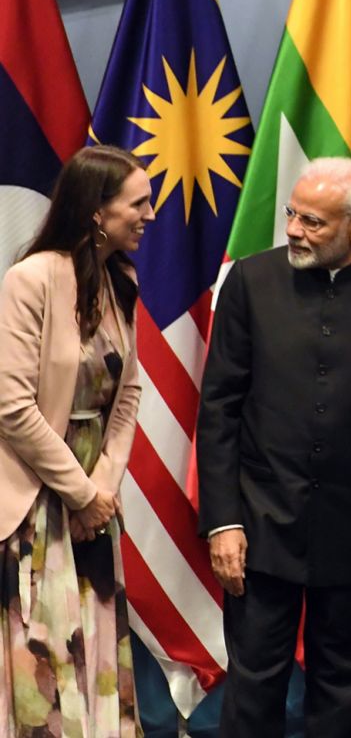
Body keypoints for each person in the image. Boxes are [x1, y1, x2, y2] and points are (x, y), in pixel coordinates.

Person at [196, 158, 351, 738]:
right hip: (259, 526)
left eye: (313, 222)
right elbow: (219, 412)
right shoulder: (250, 282)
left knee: (348, 698)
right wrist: (222, 522)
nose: (293, 230)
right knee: (253, 689)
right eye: (293, 214)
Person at [0, 145, 152, 736]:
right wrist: (79, 492)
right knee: (46, 664)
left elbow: (128, 395)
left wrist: (103, 492)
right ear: (96, 210)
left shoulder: (120, 281)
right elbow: (12, 407)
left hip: (94, 510)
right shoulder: (30, 278)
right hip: (39, 509)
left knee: (96, 656)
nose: (150, 214)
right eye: (138, 203)